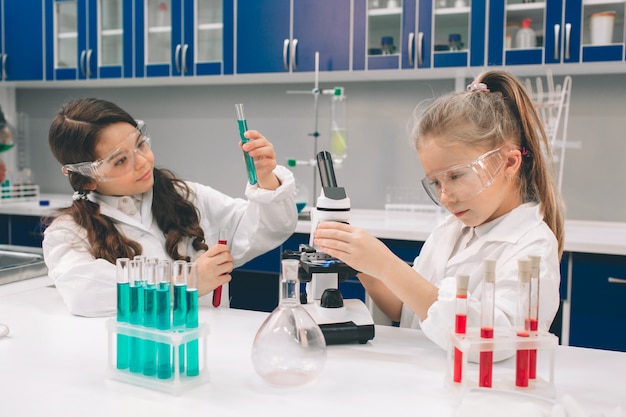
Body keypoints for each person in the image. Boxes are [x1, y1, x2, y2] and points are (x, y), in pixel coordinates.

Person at [313, 70, 565, 351]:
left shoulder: (532, 247)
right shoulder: (452, 231)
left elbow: (491, 343)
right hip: (425, 382)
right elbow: (403, 307)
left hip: (475, 391)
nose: (445, 196)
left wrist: (387, 264)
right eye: (435, 182)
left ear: (509, 163)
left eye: (456, 176)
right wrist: (361, 262)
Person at [43, 98, 298, 317]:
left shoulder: (187, 197)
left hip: (211, 344)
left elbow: (266, 229)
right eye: (120, 160)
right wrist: (186, 282)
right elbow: (84, 293)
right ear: (87, 176)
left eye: (141, 144)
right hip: (136, 354)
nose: (143, 162)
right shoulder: (68, 233)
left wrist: (267, 181)